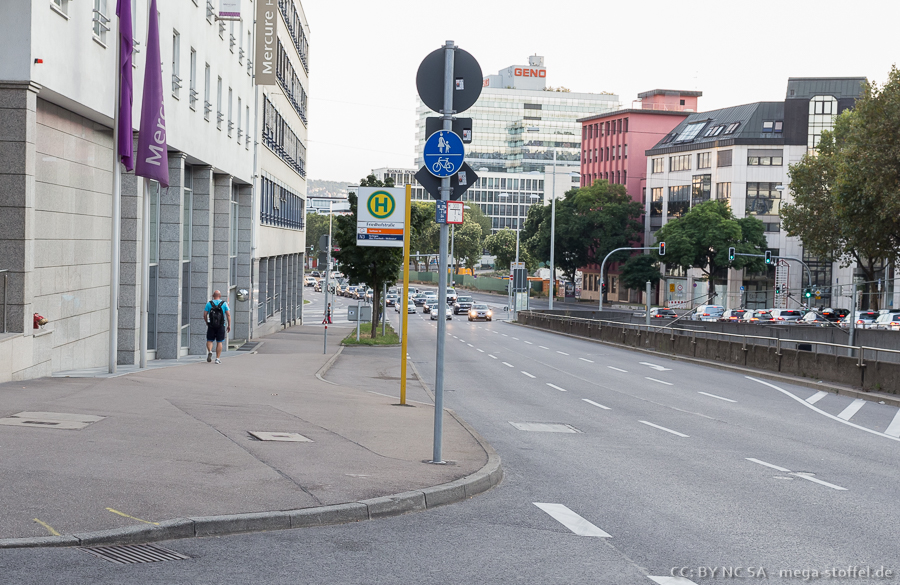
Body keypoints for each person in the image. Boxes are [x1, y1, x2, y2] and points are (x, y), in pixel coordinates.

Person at [204, 290, 231, 364]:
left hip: (211, 325)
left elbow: (205, 314)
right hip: (221, 325)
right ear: (220, 296)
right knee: (219, 342)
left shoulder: (209, 304)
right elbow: (228, 315)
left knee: (209, 340)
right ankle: (217, 359)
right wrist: (229, 325)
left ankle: (210, 351)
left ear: (213, 296)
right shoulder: (224, 303)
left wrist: (207, 322)